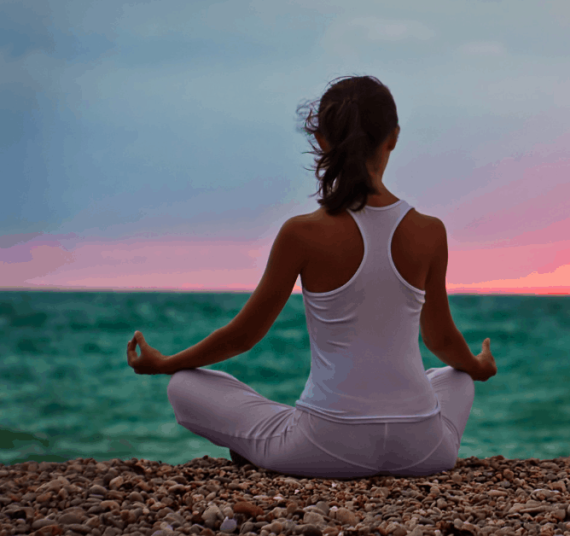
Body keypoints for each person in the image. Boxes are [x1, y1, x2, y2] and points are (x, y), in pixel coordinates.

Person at [126, 75, 498, 479]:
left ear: (322, 140)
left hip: (327, 448)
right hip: (423, 450)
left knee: (183, 386)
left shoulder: (301, 233)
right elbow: (441, 339)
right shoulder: (430, 230)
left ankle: (269, 442)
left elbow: (243, 336)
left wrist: (166, 363)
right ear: (393, 137)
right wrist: (478, 366)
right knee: (454, 378)